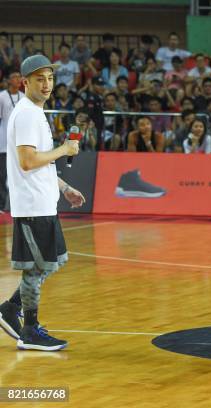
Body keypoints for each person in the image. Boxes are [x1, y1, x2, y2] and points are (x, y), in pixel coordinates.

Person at [0, 55, 85, 350]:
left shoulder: (36, 112)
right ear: (25, 83)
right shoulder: (26, 114)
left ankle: (11, 309)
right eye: (39, 79)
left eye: (49, 78)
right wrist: (64, 148)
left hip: (44, 202)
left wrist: (63, 187)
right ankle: (30, 331)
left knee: (50, 264)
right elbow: (27, 161)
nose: (47, 84)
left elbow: (40, 163)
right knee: (36, 269)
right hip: (32, 206)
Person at [0, 69, 25, 212]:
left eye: (19, 77)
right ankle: (2, 205)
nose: (17, 79)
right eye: (14, 77)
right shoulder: (2, 96)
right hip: (4, 143)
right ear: (8, 80)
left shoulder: (24, 97)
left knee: (20, 175)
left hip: (20, 143)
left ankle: (19, 204)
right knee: (3, 176)